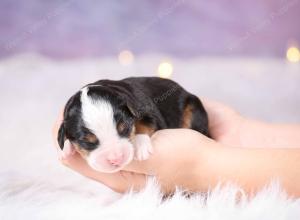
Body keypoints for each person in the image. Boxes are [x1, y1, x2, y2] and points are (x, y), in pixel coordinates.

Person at [52, 99, 300, 196]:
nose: (115, 155)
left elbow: (148, 120)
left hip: (184, 108)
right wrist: (241, 131)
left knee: (187, 108)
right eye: (88, 143)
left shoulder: (136, 111)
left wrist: (204, 168)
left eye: (123, 132)